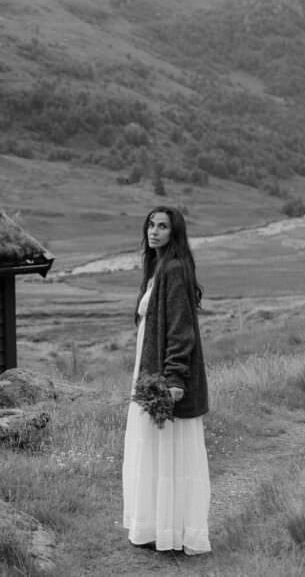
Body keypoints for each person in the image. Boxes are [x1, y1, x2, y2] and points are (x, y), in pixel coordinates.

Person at [122, 205, 211, 554]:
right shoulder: (158, 268)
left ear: (175, 234)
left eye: (163, 226)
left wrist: (175, 377)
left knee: (170, 452)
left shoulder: (174, 269)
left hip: (165, 374)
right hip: (149, 369)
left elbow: (181, 329)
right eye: (151, 225)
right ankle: (158, 528)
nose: (154, 231)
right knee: (155, 451)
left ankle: (173, 532)